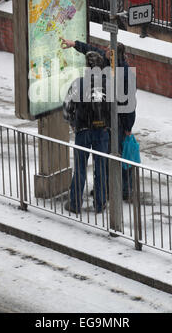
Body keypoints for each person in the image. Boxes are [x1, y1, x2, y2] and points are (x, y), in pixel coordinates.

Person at [61, 38, 136, 200]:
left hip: (119, 120)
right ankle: (104, 194)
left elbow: (129, 101)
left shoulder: (123, 74)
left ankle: (122, 190)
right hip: (106, 122)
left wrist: (128, 126)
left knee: (118, 154)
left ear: (116, 55)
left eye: (110, 50)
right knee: (107, 157)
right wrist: (75, 44)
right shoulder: (108, 63)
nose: (106, 50)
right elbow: (92, 50)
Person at [63, 51, 110, 214]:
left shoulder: (78, 83)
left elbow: (67, 106)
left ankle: (75, 203)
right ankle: (100, 202)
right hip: (102, 131)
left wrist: (72, 123)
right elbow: (115, 109)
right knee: (101, 167)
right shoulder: (108, 84)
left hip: (83, 130)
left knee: (80, 167)